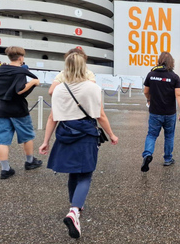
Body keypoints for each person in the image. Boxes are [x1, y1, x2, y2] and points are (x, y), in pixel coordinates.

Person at [39, 52, 118, 239]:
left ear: (66, 67)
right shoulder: (93, 88)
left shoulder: (58, 89)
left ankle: (75, 204)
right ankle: (74, 211)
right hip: (85, 134)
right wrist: (112, 135)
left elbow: (52, 118)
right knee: (85, 174)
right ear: (84, 67)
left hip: (65, 133)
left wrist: (45, 141)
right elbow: (101, 116)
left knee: (73, 172)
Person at [0, 46, 42, 179]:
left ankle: (5, 169)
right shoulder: (20, 72)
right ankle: (30, 162)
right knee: (27, 136)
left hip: (1, 109)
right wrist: (33, 82)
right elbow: (20, 90)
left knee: (2, 140)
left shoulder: (1, 70)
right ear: (21, 58)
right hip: (18, 110)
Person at [141, 51, 180, 172]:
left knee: (152, 135)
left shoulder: (151, 74)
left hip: (155, 111)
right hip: (170, 113)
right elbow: (179, 94)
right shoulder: (174, 77)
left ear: (159, 61)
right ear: (171, 62)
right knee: (169, 136)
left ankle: (147, 154)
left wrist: (149, 99)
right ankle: (167, 159)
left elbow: (145, 91)